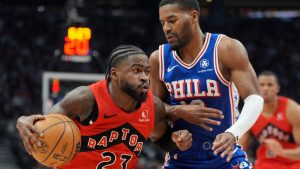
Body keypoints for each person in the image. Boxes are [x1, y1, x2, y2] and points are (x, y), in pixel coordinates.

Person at [16, 45, 193, 169]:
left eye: (147, 71)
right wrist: (24, 123)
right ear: (114, 74)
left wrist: (178, 139)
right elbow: (42, 136)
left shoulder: (152, 107)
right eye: (136, 71)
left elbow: (164, 140)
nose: (144, 77)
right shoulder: (84, 99)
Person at [149, 0, 264, 168]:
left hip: (226, 153)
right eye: (163, 23)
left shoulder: (225, 48)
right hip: (180, 157)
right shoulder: (158, 58)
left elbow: (255, 99)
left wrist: (233, 133)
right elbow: (151, 109)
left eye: (172, 20)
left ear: (193, 16)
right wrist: (177, 112)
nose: (166, 28)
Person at [239, 71, 300, 169]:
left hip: (292, 163)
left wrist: (283, 153)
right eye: (261, 85)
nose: (265, 88)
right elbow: (240, 148)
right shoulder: (250, 112)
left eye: (270, 85)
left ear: (277, 88)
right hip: (265, 164)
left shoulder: (292, 110)